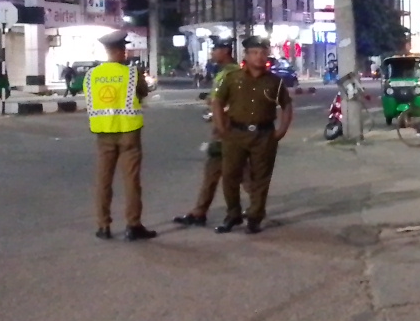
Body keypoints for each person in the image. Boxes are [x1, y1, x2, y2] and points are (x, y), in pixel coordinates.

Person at [213, 36, 294, 234]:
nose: (259, 57)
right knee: (230, 176)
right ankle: (233, 214)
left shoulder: (274, 81)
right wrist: (221, 127)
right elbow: (218, 102)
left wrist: (282, 130)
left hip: (264, 134)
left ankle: (255, 217)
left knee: (261, 179)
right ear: (247, 55)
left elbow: (287, 105)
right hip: (235, 133)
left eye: (263, 53)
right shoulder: (233, 78)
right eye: (254, 53)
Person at [86, 30, 156, 242]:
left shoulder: (91, 75)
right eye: (124, 49)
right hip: (128, 133)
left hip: (103, 134)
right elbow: (143, 92)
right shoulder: (132, 73)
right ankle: (133, 226)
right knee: (131, 181)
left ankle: (103, 226)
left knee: (103, 180)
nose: (126, 52)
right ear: (120, 50)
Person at [173, 37, 243, 227]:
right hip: (222, 128)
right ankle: (199, 212)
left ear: (225, 51)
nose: (213, 53)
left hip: (228, 129)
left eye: (215, 49)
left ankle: (255, 211)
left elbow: (230, 101)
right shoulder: (225, 72)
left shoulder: (231, 73)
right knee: (212, 170)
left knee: (242, 173)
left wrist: (215, 106)